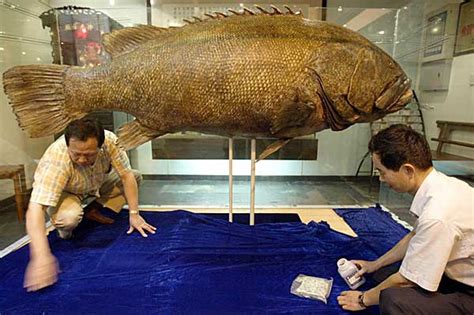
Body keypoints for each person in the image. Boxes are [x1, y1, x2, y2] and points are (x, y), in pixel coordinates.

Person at [337, 124, 473, 314]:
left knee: (394, 299)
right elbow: (415, 236)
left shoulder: (437, 215)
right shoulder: (442, 185)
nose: (381, 180)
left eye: (382, 172)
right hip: (458, 273)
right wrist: (374, 264)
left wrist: (363, 299)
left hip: (469, 293)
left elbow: (406, 280)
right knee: (385, 274)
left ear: (408, 170)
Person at [24, 118, 156, 292]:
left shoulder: (110, 141)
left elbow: (126, 176)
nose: (81, 159)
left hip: (96, 183)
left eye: (89, 154)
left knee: (135, 176)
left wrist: (134, 214)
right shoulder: (56, 159)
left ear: (100, 147)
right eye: (76, 154)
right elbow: (35, 208)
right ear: (68, 146)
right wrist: (40, 256)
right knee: (69, 219)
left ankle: (93, 210)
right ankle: (64, 228)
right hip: (68, 191)